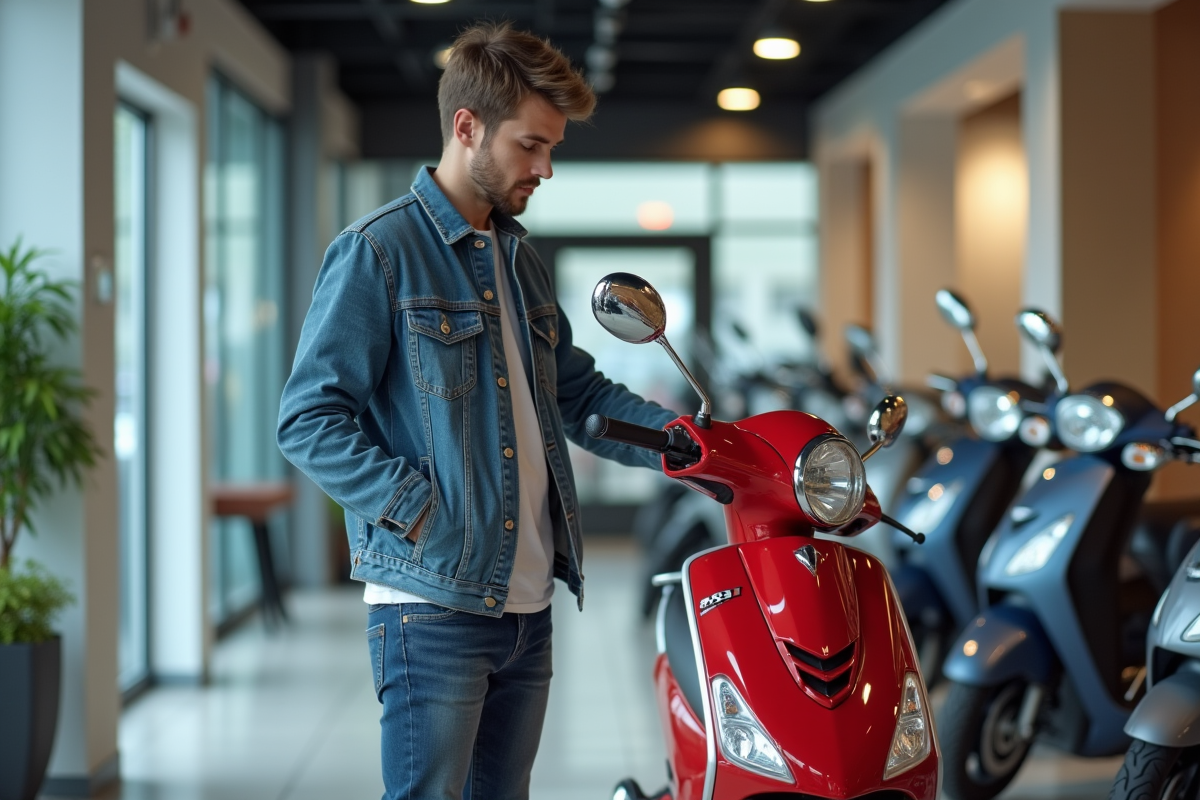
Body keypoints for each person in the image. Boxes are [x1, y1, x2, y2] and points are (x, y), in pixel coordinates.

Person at [276, 21, 678, 800]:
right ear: (468, 127)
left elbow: (580, 395)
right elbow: (307, 418)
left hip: (528, 608)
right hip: (430, 609)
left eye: (551, 149)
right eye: (532, 145)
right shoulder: (379, 250)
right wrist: (421, 510)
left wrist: (686, 444)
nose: (546, 168)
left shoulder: (520, 259)